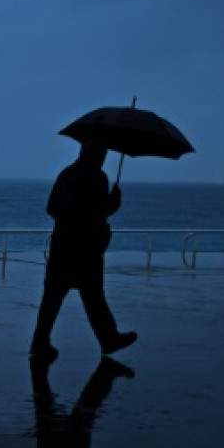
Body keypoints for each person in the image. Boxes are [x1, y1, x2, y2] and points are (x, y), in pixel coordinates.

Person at [29, 141, 137, 363]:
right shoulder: (98, 178)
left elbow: (51, 208)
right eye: (102, 151)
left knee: (53, 297)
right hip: (86, 250)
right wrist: (112, 204)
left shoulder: (66, 174)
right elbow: (97, 213)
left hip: (62, 248)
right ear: (95, 153)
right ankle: (108, 338)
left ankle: (40, 342)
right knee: (93, 296)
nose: (104, 156)